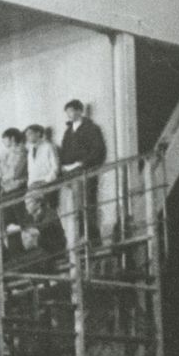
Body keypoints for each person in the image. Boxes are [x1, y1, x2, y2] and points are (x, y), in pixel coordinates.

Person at [58, 97, 107, 248]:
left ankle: (94, 240)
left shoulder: (91, 128)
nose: (69, 114)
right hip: (71, 173)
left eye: (72, 111)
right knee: (76, 208)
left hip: (85, 171)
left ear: (80, 111)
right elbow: (64, 151)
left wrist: (83, 163)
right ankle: (81, 238)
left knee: (87, 206)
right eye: (67, 112)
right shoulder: (68, 131)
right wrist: (64, 166)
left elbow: (98, 150)